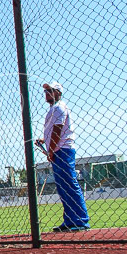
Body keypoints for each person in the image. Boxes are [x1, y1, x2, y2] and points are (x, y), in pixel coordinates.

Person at [35, 82, 89, 232]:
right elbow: (56, 131)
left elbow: (58, 130)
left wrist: (50, 150)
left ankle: (80, 220)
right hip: (59, 149)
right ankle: (71, 220)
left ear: (58, 92)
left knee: (69, 184)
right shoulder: (54, 109)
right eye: (46, 91)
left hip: (63, 150)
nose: (47, 93)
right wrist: (45, 141)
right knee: (63, 186)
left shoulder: (59, 108)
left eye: (50, 90)